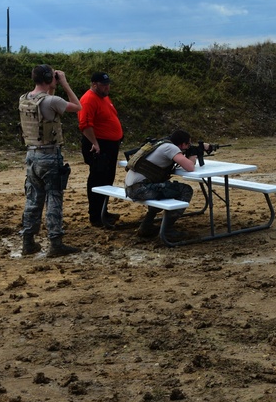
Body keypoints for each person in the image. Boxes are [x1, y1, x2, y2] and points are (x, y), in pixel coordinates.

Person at [18, 64, 82, 257]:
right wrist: (64, 83)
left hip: (31, 155)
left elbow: (48, 105)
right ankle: (55, 242)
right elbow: (77, 106)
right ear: (49, 78)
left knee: (33, 199)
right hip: (50, 155)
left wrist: (52, 85)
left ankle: (28, 241)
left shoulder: (25, 99)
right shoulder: (53, 100)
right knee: (54, 198)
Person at [123, 130, 211, 240]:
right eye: (188, 144)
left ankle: (146, 226)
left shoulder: (162, 144)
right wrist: (193, 155)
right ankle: (167, 231)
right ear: (182, 144)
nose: (188, 146)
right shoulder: (171, 148)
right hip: (141, 189)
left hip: (133, 187)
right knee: (186, 190)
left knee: (164, 188)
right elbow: (190, 167)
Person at [78, 72, 124, 228]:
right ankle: (95, 216)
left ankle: (103, 211)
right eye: (103, 85)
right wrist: (95, 143)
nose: (107, 87)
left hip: (109, 145)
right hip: (98, 145)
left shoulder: (104, 97)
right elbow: (84, 124)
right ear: (94, 84)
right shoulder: (88, 99)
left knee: (107, 179)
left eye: (108, 84)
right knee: (98, 179)